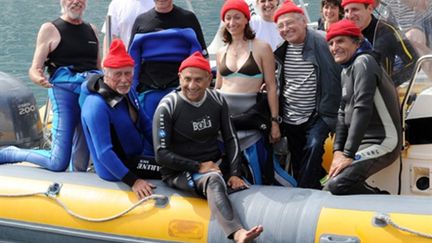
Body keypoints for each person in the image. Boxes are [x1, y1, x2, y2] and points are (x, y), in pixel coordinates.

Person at [153, 51, 264, 243]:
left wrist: (235, 173)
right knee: (213, 180)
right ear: (180, 77)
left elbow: (231, 138)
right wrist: (198, 167)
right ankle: (237, 233)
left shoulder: (217, 100)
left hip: (214, 163)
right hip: (180, 171)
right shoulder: (168, 106)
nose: (192, 85)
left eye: (198, 80)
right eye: (187, 79)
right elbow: (161, 154)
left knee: (240, 173)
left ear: (209, 79)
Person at [0, 0, 100, 172]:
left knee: (81, 159)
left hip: (88, 91)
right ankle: (10, 153)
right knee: (57, 162)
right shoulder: (50, 29)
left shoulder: (92, 30)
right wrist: (39, 78)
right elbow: (35, 68)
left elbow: (98, 67)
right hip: (64, 93)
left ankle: (75, 185)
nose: (76, 2)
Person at [324, 19, 402, 195]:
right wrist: (338, 151)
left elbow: (362, 108)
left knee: (336, 184)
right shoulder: (346, 69)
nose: (334, 47)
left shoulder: (363, 62)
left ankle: (384, 202)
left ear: (357, 42)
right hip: (363, 143)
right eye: (331, 43)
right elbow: (342, 113)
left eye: (340, 41)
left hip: (383, 141)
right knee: (329, 184)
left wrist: (348, 154)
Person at [273, 1, 342, 189]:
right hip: (290, 116)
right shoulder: (281, 49)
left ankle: (302, 194)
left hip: (318, 113)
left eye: (290, 23)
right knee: (298, 161)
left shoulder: (323, 41)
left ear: (303, 21)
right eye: (280, 26)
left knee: (313, 147)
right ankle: (321, 185)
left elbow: (341, 73)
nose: (285, 29)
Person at [215, 0, 281, 184]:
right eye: (227, 18)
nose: (232, 22)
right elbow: (218, 87)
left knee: (260, 168)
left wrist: (275, 122)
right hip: (225, 118)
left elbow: (271, 86)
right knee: (227, 168)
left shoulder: (261, 47)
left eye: (237, 17)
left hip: (251, 119)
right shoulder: (221, 52)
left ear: (246, 19)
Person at [81, 39, 155, 199]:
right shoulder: (96, 105)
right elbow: (104, 152)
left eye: (128, 73)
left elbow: (146, 125)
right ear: (106, 75)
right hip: (115, 170)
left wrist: (166, 149)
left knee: (174, 163)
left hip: (135, 158)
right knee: (173, 170)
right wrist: (134, 181)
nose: (124, 79)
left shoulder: (128, 92)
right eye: (117, 74)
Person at [342, 0, 418, 86]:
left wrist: (389, 83)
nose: (350, 15)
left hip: (379, 96)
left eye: (355, 9)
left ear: (370, 9)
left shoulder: (388, 31)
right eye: (346, 11)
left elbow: (414, 61)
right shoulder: (343, 34)